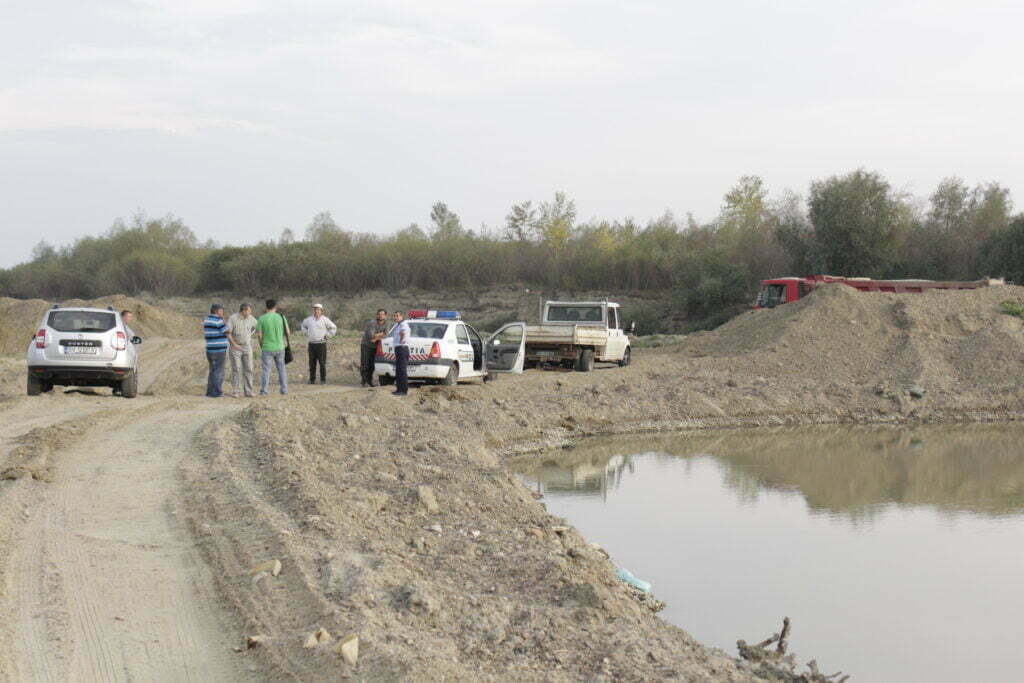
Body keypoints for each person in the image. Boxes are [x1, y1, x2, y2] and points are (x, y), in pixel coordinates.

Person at [257, 298, 290, 395]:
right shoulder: (281, 317)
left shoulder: (261, 318)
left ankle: (264, 391)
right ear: (275, 307)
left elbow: (259, 335)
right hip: (280, 346)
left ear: (266, 307)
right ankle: (284, 390)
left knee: (266, 370)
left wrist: (261, 344)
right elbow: (288, 332)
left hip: (267, 347)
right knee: (281, 369)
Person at [300, 303, 337, 384]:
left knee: (322, 363)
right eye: (315, 309)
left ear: (321, 311)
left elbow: (333, 328)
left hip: (321, 344)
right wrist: (306, 333)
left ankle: (323, 379)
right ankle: (312, 379)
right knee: (312, 363)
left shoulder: (325, 320)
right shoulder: (309, 319)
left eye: (318, 309)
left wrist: (328, 335)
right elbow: (302, 325)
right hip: (311, 344)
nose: (316, 311)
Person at [227, 303, 257, 397]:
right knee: (236, 369)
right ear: (243, 310)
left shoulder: (251, 318)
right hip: (235, 347)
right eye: (249, 311)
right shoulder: (232, 319)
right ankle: (236, 391)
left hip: (247, 346)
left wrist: (253, 333)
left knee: (249, 368)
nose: (250, 312)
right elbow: (228, 333)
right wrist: (234, 344)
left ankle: (249, 391)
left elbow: (258, 326)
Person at [203, 304, 231, 398]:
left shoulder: (206, 320)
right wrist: (223, 320)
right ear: (216, 311)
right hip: (219, 350)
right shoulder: (218, 321)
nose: (222, 312)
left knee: (212, 371)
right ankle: (217, 392)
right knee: (219, 371)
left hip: (210, 349)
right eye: (221, 311)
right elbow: (228, 331)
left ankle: (210, 391)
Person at [360, 309, 389, 387]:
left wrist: (376, 339)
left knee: (372, 365)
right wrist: (381, 334)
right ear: (377, 315)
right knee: (365, 363)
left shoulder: (387, 324)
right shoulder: (372, 323)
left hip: (376, 346)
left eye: (382, 314)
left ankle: (369, 380)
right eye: (379, 314)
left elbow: (386, 334)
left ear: (385, 316)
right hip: (366, 345)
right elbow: (371, 335)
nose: (381, 316)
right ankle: (364, 381)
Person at [390, 310, 411, 396]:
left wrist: (402, 339)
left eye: (397, 316)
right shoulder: (397, 324)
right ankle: (399, 389)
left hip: (402, 348)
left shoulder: (403, 324)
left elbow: (403, 332)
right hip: (398, 348)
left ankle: (403, 390)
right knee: (398, 370)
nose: (396, 317)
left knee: (402, 370)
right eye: (395, 316)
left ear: (402, 316)